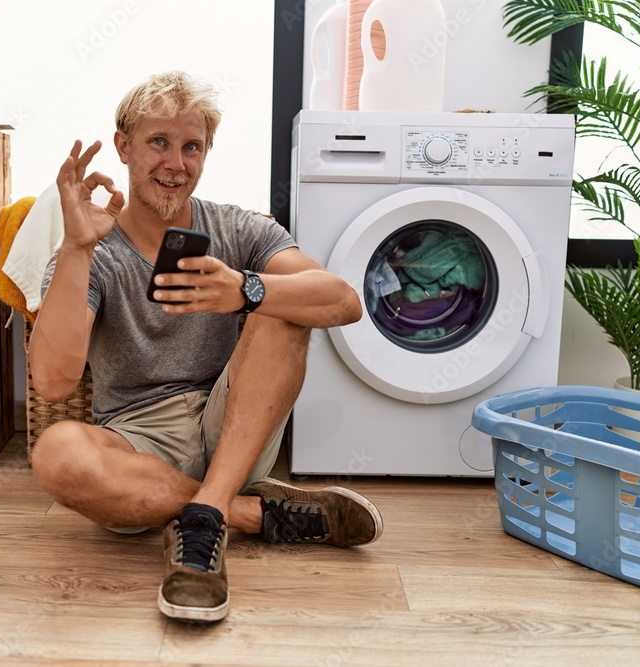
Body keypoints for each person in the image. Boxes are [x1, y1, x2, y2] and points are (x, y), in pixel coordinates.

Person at [29, 71, 383, 623]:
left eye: (191, 146)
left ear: (206, 153)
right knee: (55, 453)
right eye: (158, 143)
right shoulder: (91, 251)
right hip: (138, 445)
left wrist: (245, 289)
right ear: (123, 146)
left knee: (282, 304)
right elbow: (52, 383)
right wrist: (76, 248)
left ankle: (204, 514)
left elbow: (342, 300)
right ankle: (241, 512)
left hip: (234, 426)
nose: (175, 163)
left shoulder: (238, 228)